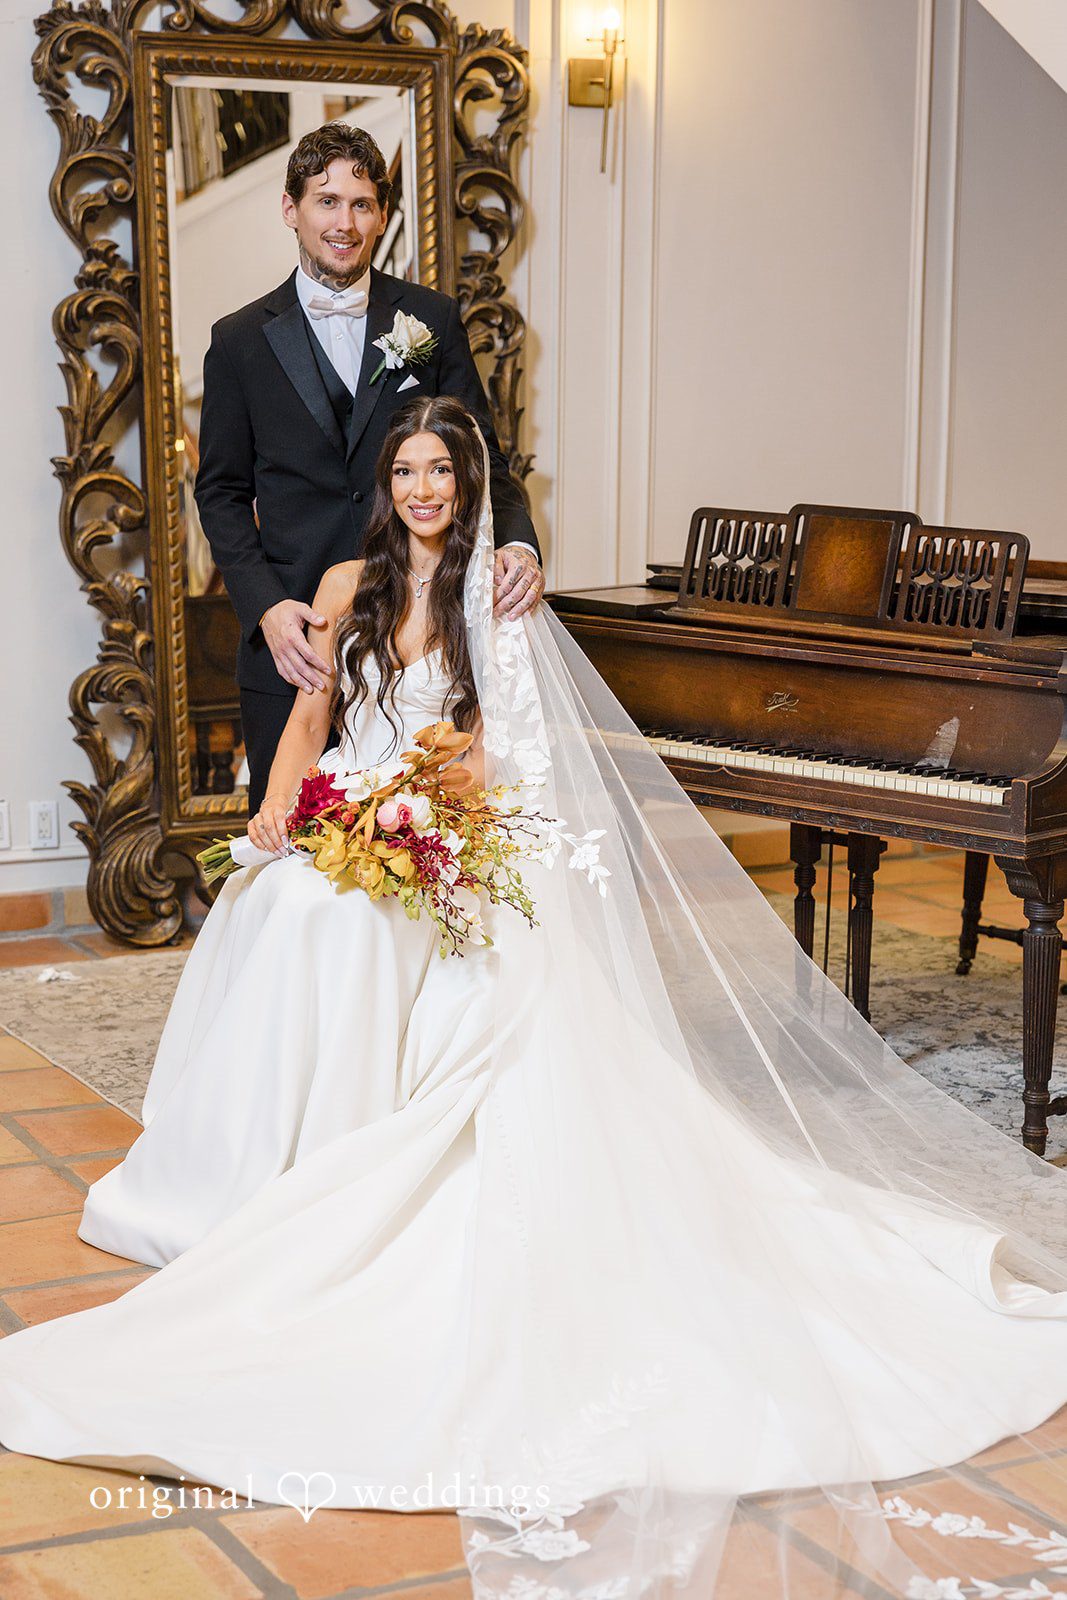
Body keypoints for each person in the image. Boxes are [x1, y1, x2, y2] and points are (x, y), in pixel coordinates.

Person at [2, 396, 1067, 1600]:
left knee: (349, 923)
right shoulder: (346, 581)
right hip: (353, 809)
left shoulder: (492, 595)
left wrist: (408, 811)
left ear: (466, 484)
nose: (420, 487)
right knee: (285, 904)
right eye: (403, 468)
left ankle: (353, 1161)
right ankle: (252, 1173)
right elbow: (308, 720)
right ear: (384, 483)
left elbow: (491, 746)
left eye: (438, 470)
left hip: (447, 819)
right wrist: (279, 811)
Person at [194, 122, 544, 813]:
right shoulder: (237, 342)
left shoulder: (430, 319)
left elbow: (481, 460)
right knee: (291, 840)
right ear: (291, 210)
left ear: (382, 214)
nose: (344, 222)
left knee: (426, 847)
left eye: (361, 204)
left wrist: (518, 542)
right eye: (326, 201)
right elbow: (221, 494)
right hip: (300, 641)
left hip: (424, 635)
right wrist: (266, 608)